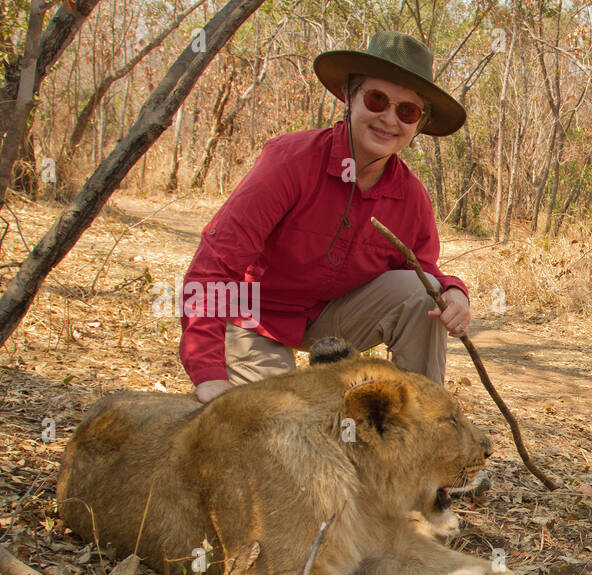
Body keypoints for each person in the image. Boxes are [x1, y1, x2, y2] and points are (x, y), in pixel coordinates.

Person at [179, 32, 471, 402]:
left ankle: (417, 425)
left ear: (418, 125)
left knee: (424, 293)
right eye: (376, 99)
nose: (388, 119)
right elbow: (215, 265)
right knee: (281, 425)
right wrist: (207, 372)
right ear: (350, 97)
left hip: (335, 319)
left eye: (407, 111)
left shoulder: (411, 197)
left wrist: (454, 290)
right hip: (257, 316)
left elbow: (422, 271)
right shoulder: (289, 161)